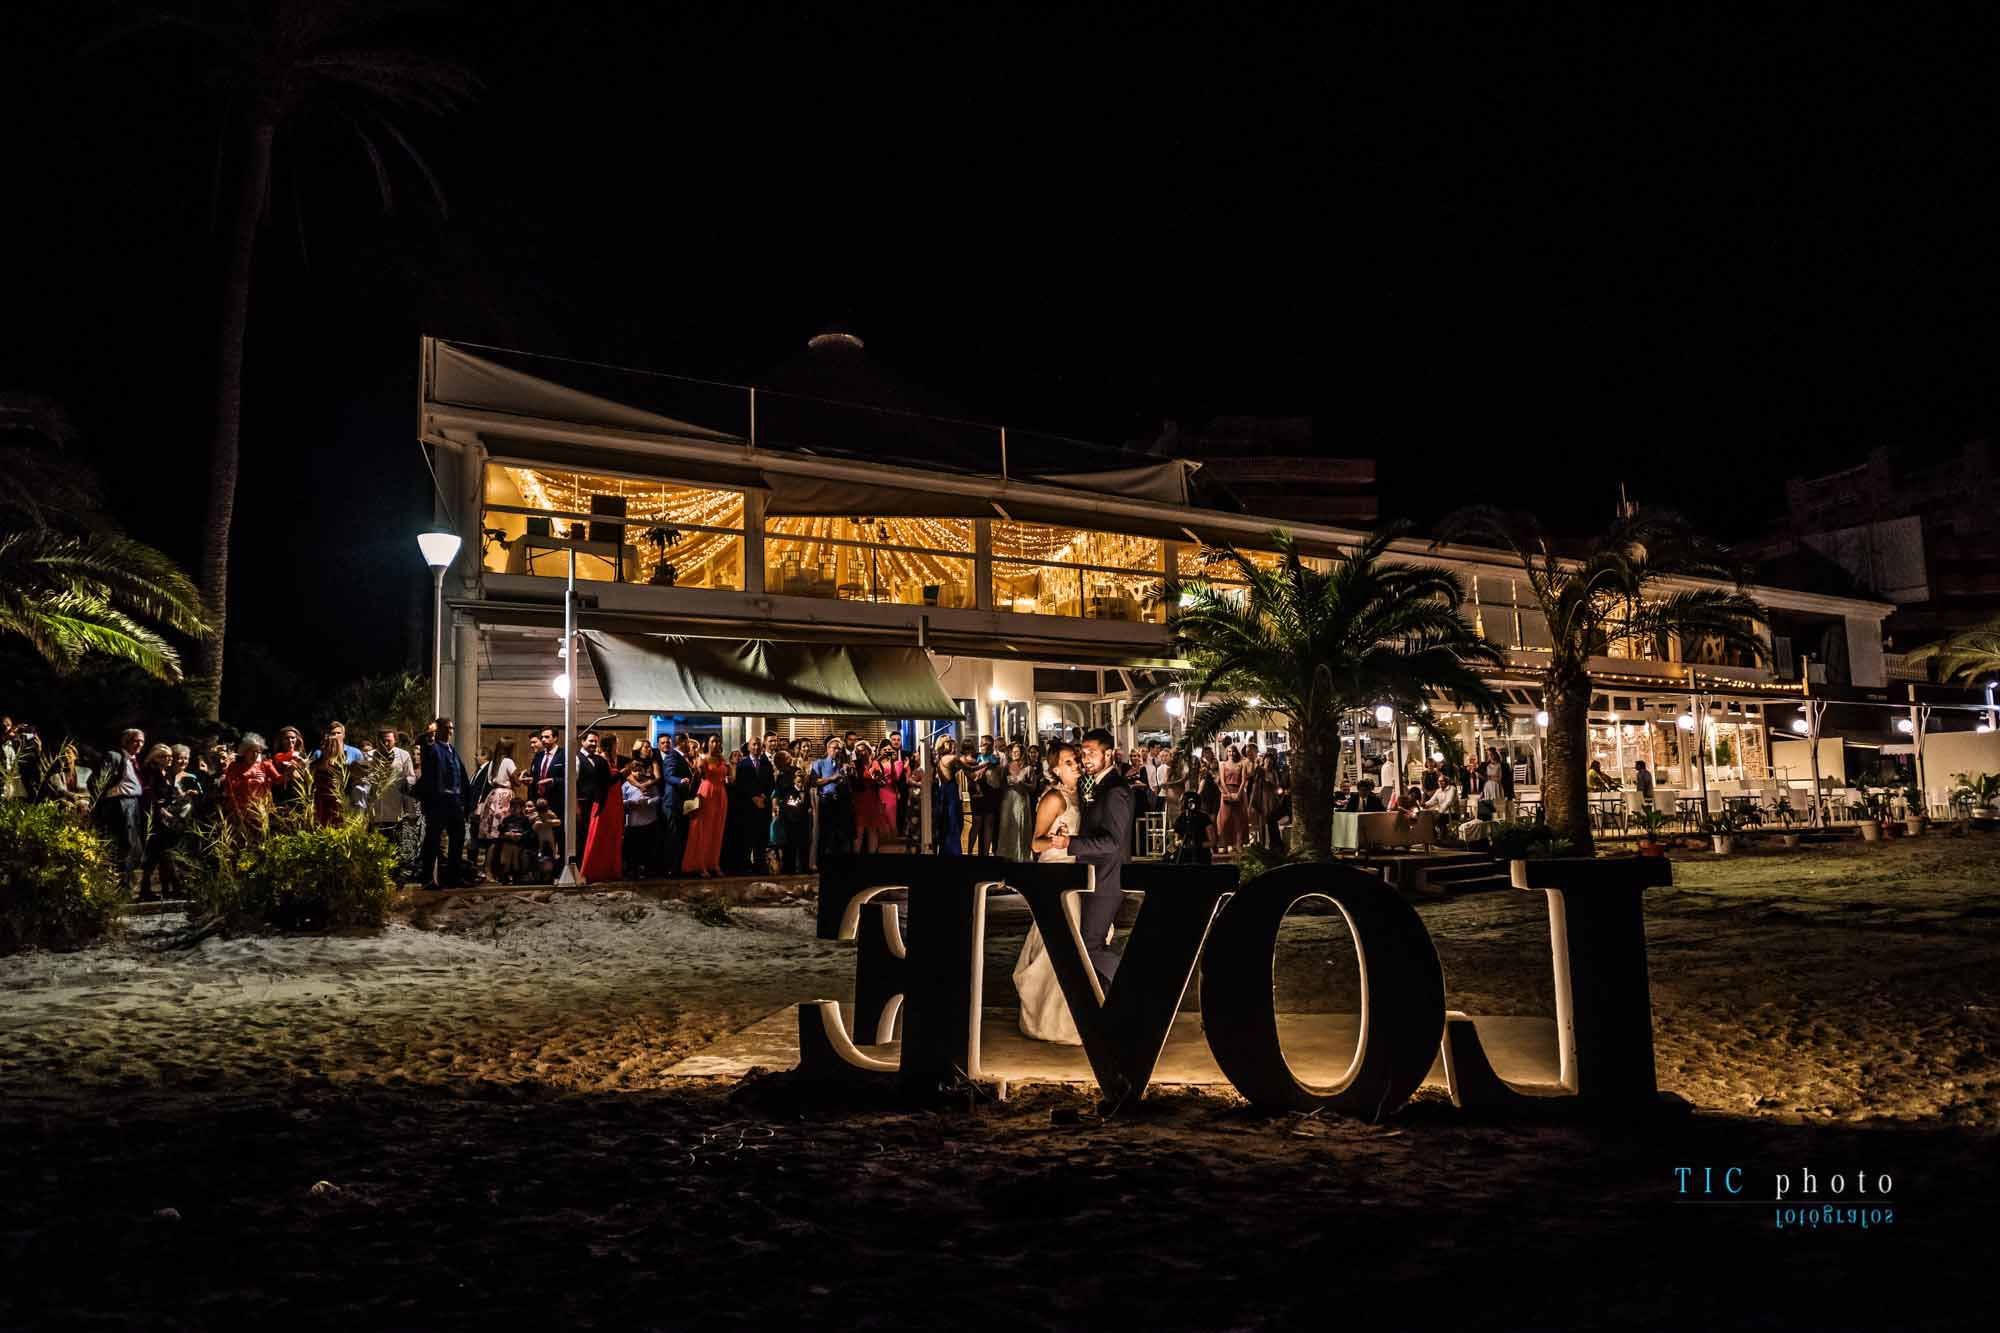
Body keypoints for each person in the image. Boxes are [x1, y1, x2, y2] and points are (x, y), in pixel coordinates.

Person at [1041, 728, 1135, 988]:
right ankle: (1106, 995)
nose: (1085, 759)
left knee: (1089, 945)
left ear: (1109, 754)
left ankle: (1132, 989)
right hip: (1092, 878)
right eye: (1082, 753)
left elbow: (1112, 842)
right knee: (1088, 942)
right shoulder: (1098, 785)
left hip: (1106, 880)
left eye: (1090, 753)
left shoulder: (1115, 790)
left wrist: (1070, 843)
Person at [1013, 740, 1087, 1044]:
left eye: (1077, 761)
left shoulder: (1080, 796)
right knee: (1057, 942)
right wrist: (1056, 843)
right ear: (1055, 769)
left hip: (1075, 874)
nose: (1076, 766)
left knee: (1072, 942)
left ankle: (1064, 1017)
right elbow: (1034, 843)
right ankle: (1046, 1019)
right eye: (1069, 762)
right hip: (1056, 874)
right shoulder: (1054, 799)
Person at [413, 716, 470, 888]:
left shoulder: (452, 749)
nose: (449, 731)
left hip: (453, 799)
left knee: (458, 837)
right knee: (433, 839)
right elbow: (427, 750)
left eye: (451, 728)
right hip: (438, 800)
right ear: (438, 730)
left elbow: (461, 774)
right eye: (446, 728)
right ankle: (427, 879)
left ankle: (454, 877)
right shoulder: (432, 747)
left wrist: (465, 799)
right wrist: (428, 737)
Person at [680, 736, 730, 877]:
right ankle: (699, 865)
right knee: (703, 829)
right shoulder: (703, 758)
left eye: (718, 741)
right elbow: (700, 776)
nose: (715, 744)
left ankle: (713, 863)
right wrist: (699, 765)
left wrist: (731, 770)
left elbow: (730, 777)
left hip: (721, 794)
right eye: (713, 741)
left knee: (717, 829)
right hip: (707, 792)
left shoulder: (722, 759)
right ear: (708, 743)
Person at [657, 732, 697, 875]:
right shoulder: (672, 756)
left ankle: (678, 867)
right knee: (673, 835)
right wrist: (680, 781)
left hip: (681, 802)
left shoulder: (682, 757)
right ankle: (671, 869)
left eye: (668, 742)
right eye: (688, 741)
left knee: (680, 835)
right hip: (672, 801)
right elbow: (668, 776)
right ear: (682, 742)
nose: (691, 744)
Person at [732, 736, 774, 873]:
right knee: (748, 837)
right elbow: (740, 785)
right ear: (749, 747)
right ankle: (745, 866)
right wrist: (752, 797)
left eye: (759, 745)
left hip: (763, 805)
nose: (756, 747)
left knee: (761, 838)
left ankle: (760, 865)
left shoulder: (766, 764)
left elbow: (771, 783)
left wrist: (763, 796)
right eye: (754, 745)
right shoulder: (742, 765)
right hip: (748, 807)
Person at [809, 736, 849, 866]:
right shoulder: (819, 763)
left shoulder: (842, 764)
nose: (837, 751)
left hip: (840, 801)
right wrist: (832, 778)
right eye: (834, 748)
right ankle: (821, 863)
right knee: (824, 833)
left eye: (839, 749)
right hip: (826, 801)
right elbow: (815, 782)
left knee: (838, 834)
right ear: (828, 748)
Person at [772, 750, 811, 874]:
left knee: (802, 843)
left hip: (800, 814)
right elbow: (778, 794)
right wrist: (777, 807)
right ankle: (790, 868)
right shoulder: (781, 776)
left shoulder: (795, 771)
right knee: (789, 844)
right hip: (788, 813)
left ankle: (802, 867)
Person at [850, 741, 893, 854]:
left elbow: (883, 783)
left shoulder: (876, 764)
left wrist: (878, 778)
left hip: (873, 799)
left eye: (862, 750)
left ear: (869, 751)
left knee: (873, 829)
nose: (860, 753)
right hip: (859, 799)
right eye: (857, 751)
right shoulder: (855, 764)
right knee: (859, 830)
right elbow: (853, 783)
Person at [621, 763, 660, 878]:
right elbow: (621, 800)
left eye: (640, 771)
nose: (637, 773)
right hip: (633, 821)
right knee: (633, 847)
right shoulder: (626, 785)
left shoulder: (649, 783)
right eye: (635, 771)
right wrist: (630, 802)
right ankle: (632, 868)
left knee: (646, 847)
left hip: (648, 820)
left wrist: (649, 802)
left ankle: (645, 869)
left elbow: (658, 797)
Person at [995, 750, 1033, 861]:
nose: (1015, 753)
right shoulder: (1006, 767)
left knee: (1020, 825)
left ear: (1022, 753)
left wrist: (1022, 784)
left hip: (1021, 798)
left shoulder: (1028, 768)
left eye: (1017, 751)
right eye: (1013, 752)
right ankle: (1006, 854)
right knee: (1007, 825)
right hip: (1008, 798)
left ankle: (1021, 855)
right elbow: (1000, 784)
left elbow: (1033, 786)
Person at [932, 737, 964, 855]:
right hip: (951, 791)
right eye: (953, 745)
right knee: (953, 822)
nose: (955, 747)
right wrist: (986, 763)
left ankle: (946, 850)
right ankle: (953, 851)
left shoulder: (940, 759)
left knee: (947, 822)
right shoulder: (951, 758)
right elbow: (969, 766)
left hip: (945, 790)